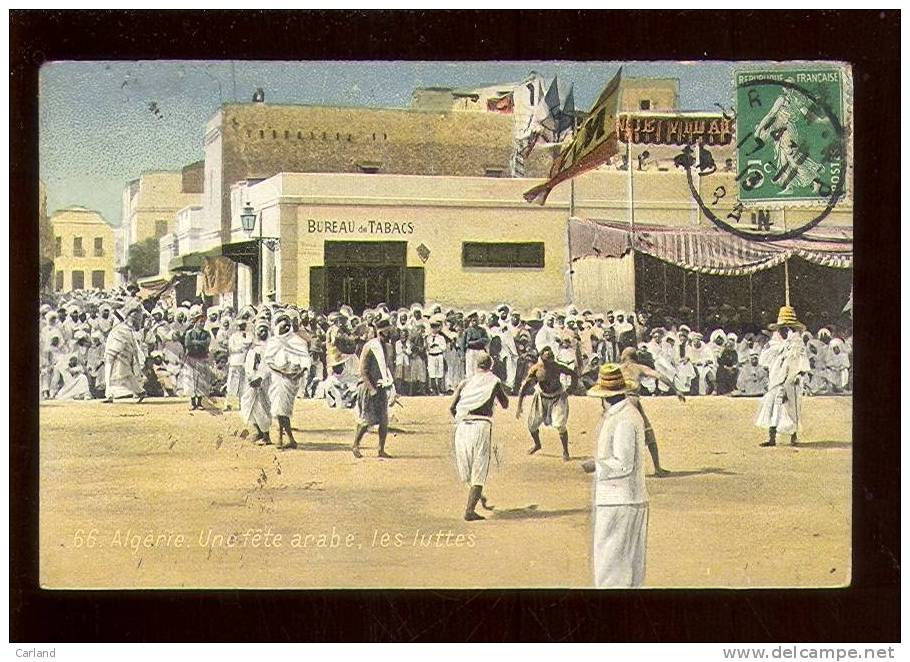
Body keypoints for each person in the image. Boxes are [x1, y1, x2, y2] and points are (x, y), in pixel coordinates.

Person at [581, 363, 649, 588]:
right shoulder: (624, 414)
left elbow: (624, 464)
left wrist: (596, 466)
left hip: (619, 502)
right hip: (623, 500)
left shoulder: (624, 418)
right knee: (626, 570)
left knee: (611, 571)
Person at [449, 351, 510, 521]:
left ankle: (477, 496)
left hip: (462, 426)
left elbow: (452, 408)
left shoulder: (465, 383)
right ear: (491, 366)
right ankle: (469, 510)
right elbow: (505, 404)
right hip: (481, 425)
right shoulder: (494, 381)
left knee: (467, 469)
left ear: (476, 366)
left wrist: (462, 418)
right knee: (479, 468)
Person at [618, 346, 685, 477]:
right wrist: (676, 390)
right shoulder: (639, 368)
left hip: (618, 402)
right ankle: (657, 468)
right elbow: (660, 376)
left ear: (624, 357)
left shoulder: (618, 369)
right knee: (648, 434)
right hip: (632, 401)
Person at [756, 306, 810, 447]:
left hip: (791, 381)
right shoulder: (773, 345)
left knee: (791, 409)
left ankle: (793, 435)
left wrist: (799, 375)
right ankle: (772, 437)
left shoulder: (797, 345)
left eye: (787, 329)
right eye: (781, 329)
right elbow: (764, 361)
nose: (783, 332)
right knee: (773, 407)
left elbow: (803, 363)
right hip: (775, 381)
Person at [515, 345, 576, 461]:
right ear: (541, 358)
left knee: (560, 424)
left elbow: (573, 374)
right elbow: (524, 388)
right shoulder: (535, 369)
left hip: (557, 397)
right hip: (541, 397)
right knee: (532, 425)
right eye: (546, 360)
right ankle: (537, 444)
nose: (548, 363)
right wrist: (519, 406)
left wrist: (570, 390)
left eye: (550, 359)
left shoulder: (556, 367)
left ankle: (565, 451)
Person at [263, 311, 311, 449]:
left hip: (291, 380)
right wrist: (281, 370)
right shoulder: (273, 342)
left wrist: (298, 372)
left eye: (287, 325)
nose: (286, 328)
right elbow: (268, 361)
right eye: (282, 325)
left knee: (282, 409)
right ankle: (286, 438)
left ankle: (284, 438)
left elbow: (305, 361)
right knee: (280, 409)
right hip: (277, 378)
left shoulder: (297, 341)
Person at [353, 318, 395, 459]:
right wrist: (371, 389)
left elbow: (388, 368)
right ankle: (355, 445)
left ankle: (380, 449)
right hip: (368, 387)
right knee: (366, 420)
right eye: (386, 332)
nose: (389, 335)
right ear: (380, 332)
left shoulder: (388, 348)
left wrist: (391, 385)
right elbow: (363, 370)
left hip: (381, 387)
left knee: (383, 420)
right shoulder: (370, 346)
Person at [103, 300, 147, 403]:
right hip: (119, 338)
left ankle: (109, 394)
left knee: (113, 366)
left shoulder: (129, 318)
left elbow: (135, 326)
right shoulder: (125, 318)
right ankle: (139, 391)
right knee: (123, 370)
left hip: (120, 339)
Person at [241, 319, 272, 445]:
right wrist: (250, 376)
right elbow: (248, 362)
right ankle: (259, 431)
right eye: (260, 330)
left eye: (265, 330)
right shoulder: (253, 346)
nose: (262, 332)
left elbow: (268, 365)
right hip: (251, 381)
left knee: (261, 408)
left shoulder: (270, 348)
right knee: (248, 406)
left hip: (263, 382)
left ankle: (266, 435)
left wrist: (260, 378)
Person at [183, 311, 213, 411]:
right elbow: (188, 344)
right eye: (200, 321)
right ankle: (193, 402)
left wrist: (195, 342)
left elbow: (207, 343)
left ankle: (199, 402)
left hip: (202, 358)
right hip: (191, 358)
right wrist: (199, 343)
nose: (202, 323)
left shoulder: (206, 333)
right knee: (191, 380)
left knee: (201, 380)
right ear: (196, 322)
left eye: (203, 322)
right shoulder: (189, 333)